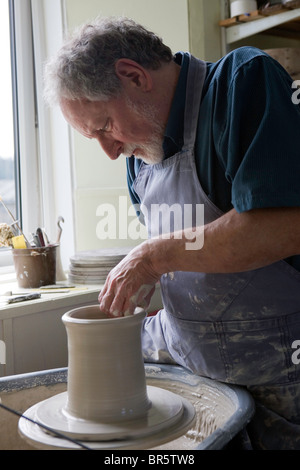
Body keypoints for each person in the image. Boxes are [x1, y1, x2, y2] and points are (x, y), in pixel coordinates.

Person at [44, 16, 300, 449]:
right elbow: (196, 267)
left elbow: (281, 227)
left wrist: (152, 256)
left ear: (134, 76)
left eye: (104, 126)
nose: (109, 151)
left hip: (281, 370)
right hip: (198, 372)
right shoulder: (138, 157)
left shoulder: (242, 83)